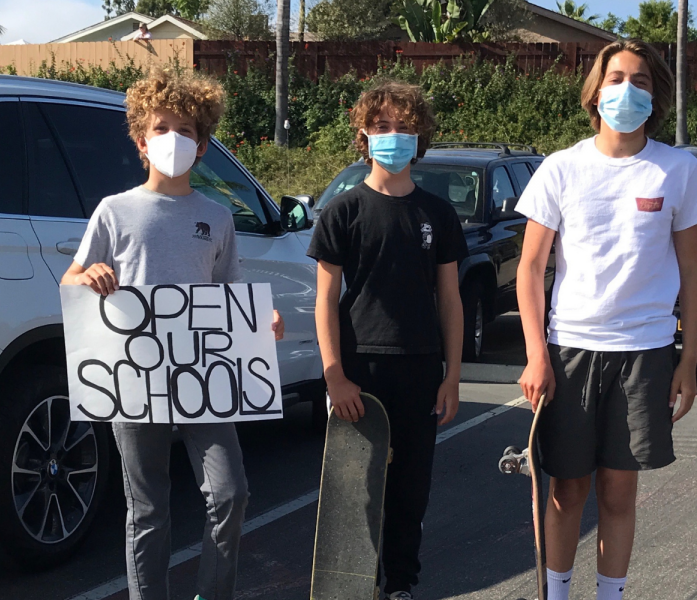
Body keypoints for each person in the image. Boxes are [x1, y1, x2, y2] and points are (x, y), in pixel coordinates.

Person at [61, 67, 284, 600]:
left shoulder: (217, 216)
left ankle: (214, 593)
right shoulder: (114, 212)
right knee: (148, 509)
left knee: (230, 494)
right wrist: (86, 275)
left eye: (186, 131)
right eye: (162, 128)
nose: (174, 140)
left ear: (203, 144)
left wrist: (259, 323)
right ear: (142, 139)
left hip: (203, 378)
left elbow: (230, 292)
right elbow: (71, 279)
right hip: (134, 379)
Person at [515, 39, 697, 600]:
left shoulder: (678, 169)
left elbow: (693, 272)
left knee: (618, 493)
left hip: (646, 352)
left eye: (642, 81)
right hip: (570, 349)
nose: (627, 90)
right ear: (595, 91)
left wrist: (689, 360)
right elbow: (530, 270)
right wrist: (536, 355)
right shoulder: (561, 168)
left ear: (656, 97)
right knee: (566, 490)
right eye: (616, 78)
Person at [307, 81, 468, 600]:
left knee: (409, 490)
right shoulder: (343, 212)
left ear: (420, 139)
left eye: (404, 127)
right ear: (363, 134)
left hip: (420, 368)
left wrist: (453, 375)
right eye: (382, 127)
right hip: (360, 371)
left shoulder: (438, 215)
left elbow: (450, 300)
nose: (393, 136)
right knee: (356, 491)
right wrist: (334, 375)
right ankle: (352, 584)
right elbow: (325, 301)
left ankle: (399, 585)